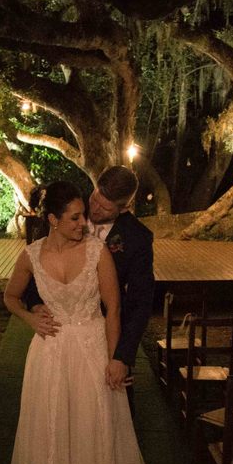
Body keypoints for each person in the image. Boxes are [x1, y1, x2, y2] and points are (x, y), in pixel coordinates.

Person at [3, 180, 167, 464]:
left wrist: (115, 358)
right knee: (52, 432)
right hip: (49, 354)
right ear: (53, 220)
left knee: (95, 430)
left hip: (92, 349)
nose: (83, 222)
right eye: (75, 217)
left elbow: (115, 309)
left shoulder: (98, 252)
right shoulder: (29, 255)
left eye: (84, 215)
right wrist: (30, 317)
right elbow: (11, 296)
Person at [24, 166, 156, 403]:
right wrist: (34, 304)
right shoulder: (66, 210)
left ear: (123, 207)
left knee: (105, 411)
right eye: (95, 199)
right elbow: (38, 264)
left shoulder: (138, 238)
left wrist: (121, 357)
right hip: (59, 335)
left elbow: (140, 304)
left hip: (105, 336)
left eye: (105, 207)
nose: (94, 209)